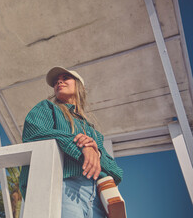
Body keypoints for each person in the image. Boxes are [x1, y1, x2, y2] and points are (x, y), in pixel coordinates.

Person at [19, 66, 123, 218]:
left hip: (97, 198)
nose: (59, 82)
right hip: (64, 186)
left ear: (79, 85)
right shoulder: (47, 108)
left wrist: (97, 154)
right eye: (56, 81)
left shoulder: (93, 132)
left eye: (65, 78)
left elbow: (117, 173)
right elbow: (33, 133)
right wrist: (81, 147)